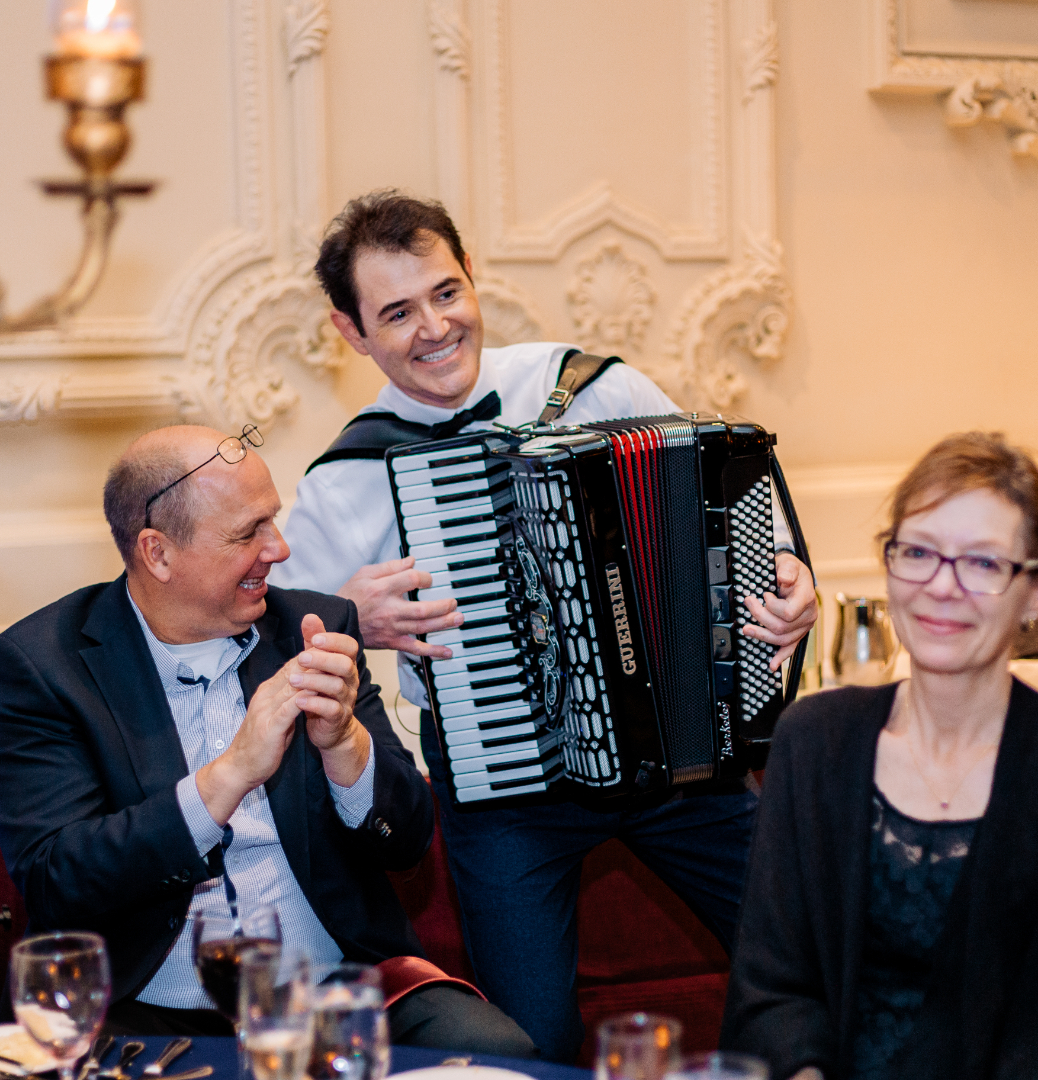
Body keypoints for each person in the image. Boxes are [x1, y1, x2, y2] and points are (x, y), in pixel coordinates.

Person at [270, 190, 818, 1061]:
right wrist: (349, 616)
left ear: (472, 277)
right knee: (527, 1046)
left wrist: (787, 591)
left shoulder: (595, 385)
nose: (434, 327)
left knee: (810, 962)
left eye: (446, 293)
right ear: (351, 332)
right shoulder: (346, 477)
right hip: (506, 793)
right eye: (397, 312)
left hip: (677, 764)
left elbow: (733, 516)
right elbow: (265, 629)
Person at [0, 423, 535, 1055]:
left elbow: (406, 840)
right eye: (249, 533)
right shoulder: (44, 667)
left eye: (272, 520)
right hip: (153, 1010)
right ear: (157, 553)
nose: (279, 548)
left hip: (336, 991)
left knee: (502, 1055)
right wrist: (230, 774)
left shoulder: (312, 626)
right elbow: (60, 879)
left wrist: (343, 743)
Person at [721, 431, 1038, 1080]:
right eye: (917, 552)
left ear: (1031, 594)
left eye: (981, 563)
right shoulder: (814, 741)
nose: (941, 587)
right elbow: (769, 991)